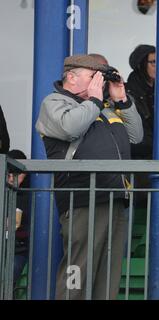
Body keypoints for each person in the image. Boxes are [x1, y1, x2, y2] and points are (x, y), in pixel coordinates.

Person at [35, 54, 143, 299]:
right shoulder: (54, 102)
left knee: (108, 273)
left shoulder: (103, 107)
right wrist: (94, 99)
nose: (99, 82)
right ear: (71, 77)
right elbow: (70, 127)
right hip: (82, 199)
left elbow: (136, 136)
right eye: (92, 76)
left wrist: (122, 100)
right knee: (79, 270)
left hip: (114, 197)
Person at [126, 44, 156, 160]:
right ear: (141, 64)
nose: (158, 66)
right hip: (138, 159)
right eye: (153, 62)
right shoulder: (128, 93)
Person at [6, 149, 30, 285]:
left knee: (11, 271)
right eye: (8, 173)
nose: (11, 177)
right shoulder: (3, 192)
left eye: (16, 174)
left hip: (19, 250)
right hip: (5, 247)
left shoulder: (33, 193)